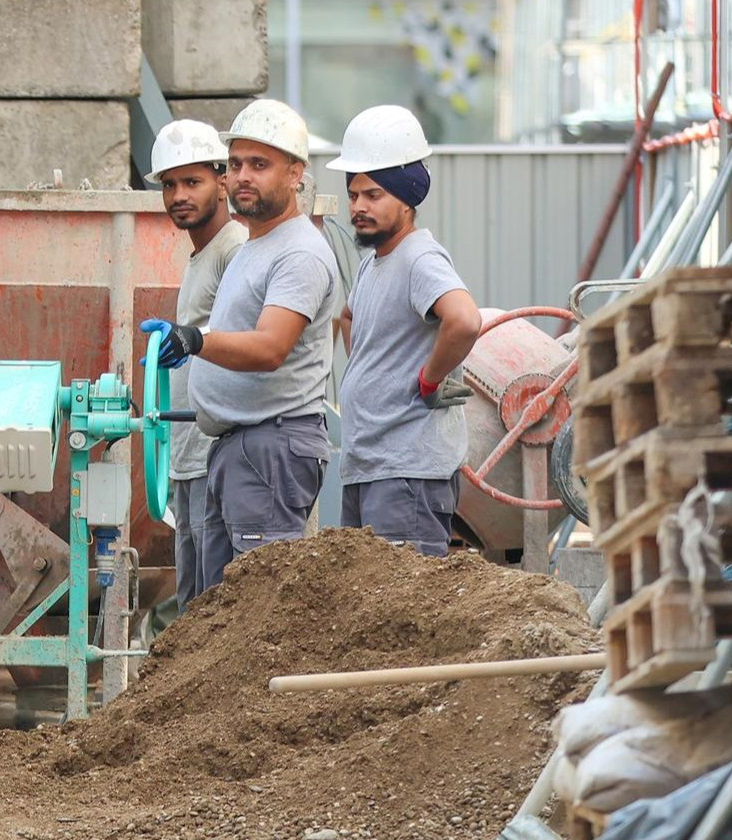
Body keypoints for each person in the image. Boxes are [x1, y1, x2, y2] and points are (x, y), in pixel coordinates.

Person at [141, 99, 338, 591]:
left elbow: (271, 347)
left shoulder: (298, 252)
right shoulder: (256, 245)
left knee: (257, 608)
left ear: (296, 174)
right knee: (219, 616)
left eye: (260, 164)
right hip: (240, 447)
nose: (243, 176)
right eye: (237, 164)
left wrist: (194, 339)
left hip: (269, 447)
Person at [327, 105, 481, 556]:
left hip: (407, 475)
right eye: (353, 195)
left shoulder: (419, 258)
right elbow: (348, 316)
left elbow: (465, 320)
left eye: (373, 195)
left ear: (407, 195)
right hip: (371, 468)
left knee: (401, 615)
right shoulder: (374, 262)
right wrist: (373, 373)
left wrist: (429, 379)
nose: (358, 207)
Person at [144, 120, 247, 612]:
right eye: (169, 184)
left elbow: (244, 345)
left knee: (209, 608)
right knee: (191, 605)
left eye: (192, 182)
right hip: (188, 456)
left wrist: (190, 341)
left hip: (213, 456)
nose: (178, 195)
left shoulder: (234, 250)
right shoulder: (202, 255)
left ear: (222, 181)